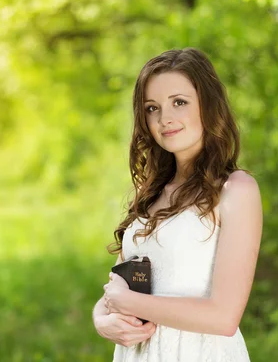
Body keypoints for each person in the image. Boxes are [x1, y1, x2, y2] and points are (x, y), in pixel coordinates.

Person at [91, 48, 263, 361]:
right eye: (152, 108)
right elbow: (116, 288)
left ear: (208, 106)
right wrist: (101, 319)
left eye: (179, 102)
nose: (164, 118)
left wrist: (127, 303)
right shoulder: (152, 190)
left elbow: (223, 317)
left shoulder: (236, 190)